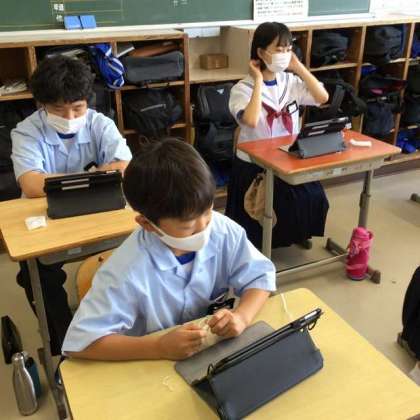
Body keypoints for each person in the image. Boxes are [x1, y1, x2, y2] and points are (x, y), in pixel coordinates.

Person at [62, 138, 276, 361]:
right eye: (187, 227)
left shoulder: (223, 230)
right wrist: (158, 347)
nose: (204, 228)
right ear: (147, 224)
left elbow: (260, 277)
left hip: (207, 356)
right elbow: (81, 343)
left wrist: (241, 316)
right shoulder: (125, 270)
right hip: (148, 363)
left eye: (208, 212)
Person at [11, 55, 132, 355]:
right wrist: (97, 176)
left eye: (77, 108)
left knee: (135, 251)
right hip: (47, 219)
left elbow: (124, 167)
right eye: (57, 109)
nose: (68, 117)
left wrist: (58, 181)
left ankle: (119, 325)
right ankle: (64, 343)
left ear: (87, 102)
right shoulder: (26, 131)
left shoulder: (100, 124)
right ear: (41, 105)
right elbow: (31, 185)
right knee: (36, 275)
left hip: (98, 212)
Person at [226, 22, 330, 249]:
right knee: (270, 203)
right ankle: (260, 245)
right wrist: (258, 81)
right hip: (255, 164)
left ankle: (296, 234)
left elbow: (322, 98)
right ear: (261, 52)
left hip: (287, 158)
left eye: (288, 49)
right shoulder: (241, 89)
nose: (284, 54)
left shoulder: (289, 82)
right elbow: (250, 120)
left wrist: (299, 67)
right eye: (279, 49)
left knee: (313, 196)